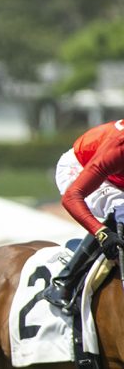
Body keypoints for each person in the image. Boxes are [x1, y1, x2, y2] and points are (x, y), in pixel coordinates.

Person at [42, 120, 124, 311]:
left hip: (116, 174)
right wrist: (101, 232)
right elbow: (72, 197)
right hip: (80, 168)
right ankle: (65, 282)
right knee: (121, 210)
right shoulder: (118, 147)